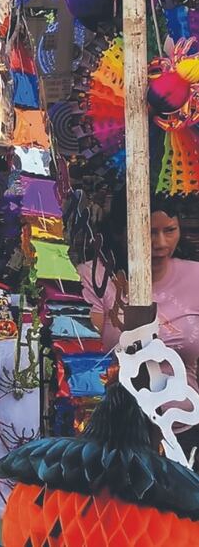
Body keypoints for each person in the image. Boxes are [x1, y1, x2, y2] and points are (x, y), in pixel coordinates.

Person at [80, 197, 199, 462]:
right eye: (149, 232)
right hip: (117, 435)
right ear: (124, 232)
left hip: (184, 429)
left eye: (169, 230)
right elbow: (92, 349)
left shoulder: (196, 277)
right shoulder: (97, 278)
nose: (161, 243)